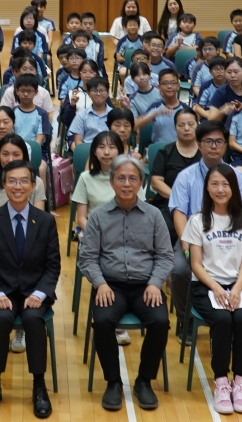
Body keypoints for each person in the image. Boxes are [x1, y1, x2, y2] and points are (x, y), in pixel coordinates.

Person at [78, 155, 174, 412]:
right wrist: (100, 284)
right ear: (111, 182)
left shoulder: (154, 215)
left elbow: (166, 256)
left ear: (141, 183)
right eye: (121, 178)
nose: (127, 184)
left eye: (133, 178)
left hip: (146, 285)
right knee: (102, 321)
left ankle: (144, 381)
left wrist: (155, 283)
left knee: (160, 322)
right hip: (111, 285)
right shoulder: (98, 217)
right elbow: (87, 258)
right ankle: (113, 382)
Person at [0, 160, 59, 419]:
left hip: (35, 291)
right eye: (12, 181)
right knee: (1, 319)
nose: (18, 186)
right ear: (4, 184)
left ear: (33, 185)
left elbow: (52, 266)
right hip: (2, 291)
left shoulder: (45, 221)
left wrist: (40, 294)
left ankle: (39, 386)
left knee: (33, 319)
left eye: (24, 181)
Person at [184, 163, 242, 415]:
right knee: (223, 319)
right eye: (214, 184)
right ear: (207, 188)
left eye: (225, 184)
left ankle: (240, 381)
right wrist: (216, 287)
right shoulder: (197, 220)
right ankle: (221, 382)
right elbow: (195, 264)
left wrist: (236, 289)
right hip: (206, 286)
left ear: (234, 188)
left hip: (237, 285)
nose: (220, 189)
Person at [169, 121, 242, 335]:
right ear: (199, 144)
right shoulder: (185, 176)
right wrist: (186, 243)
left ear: (226, 145)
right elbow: (179, 212)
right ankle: (186, 319)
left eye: (219, 141)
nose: (214, 146)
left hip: (231, 239)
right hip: (193, 238)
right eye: (208, 141)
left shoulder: (237, 177)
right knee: (180, 270)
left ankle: (236, 318)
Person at [148, 109, 201, 243]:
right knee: (164, 230)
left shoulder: (206, 152)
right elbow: (156, 181)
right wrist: (179, 198)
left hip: (201, 203)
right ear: (175, 128)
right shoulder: (165, 152)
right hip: (169, 202)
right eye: (181, 125)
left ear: (198, 125)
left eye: (191, 124)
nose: (186, 128)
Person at [0, 134, 48, 224]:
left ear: (24, 156)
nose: (10, 160)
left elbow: (39, 222)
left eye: (16, 154)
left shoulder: (37, 182)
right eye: (5, 154)